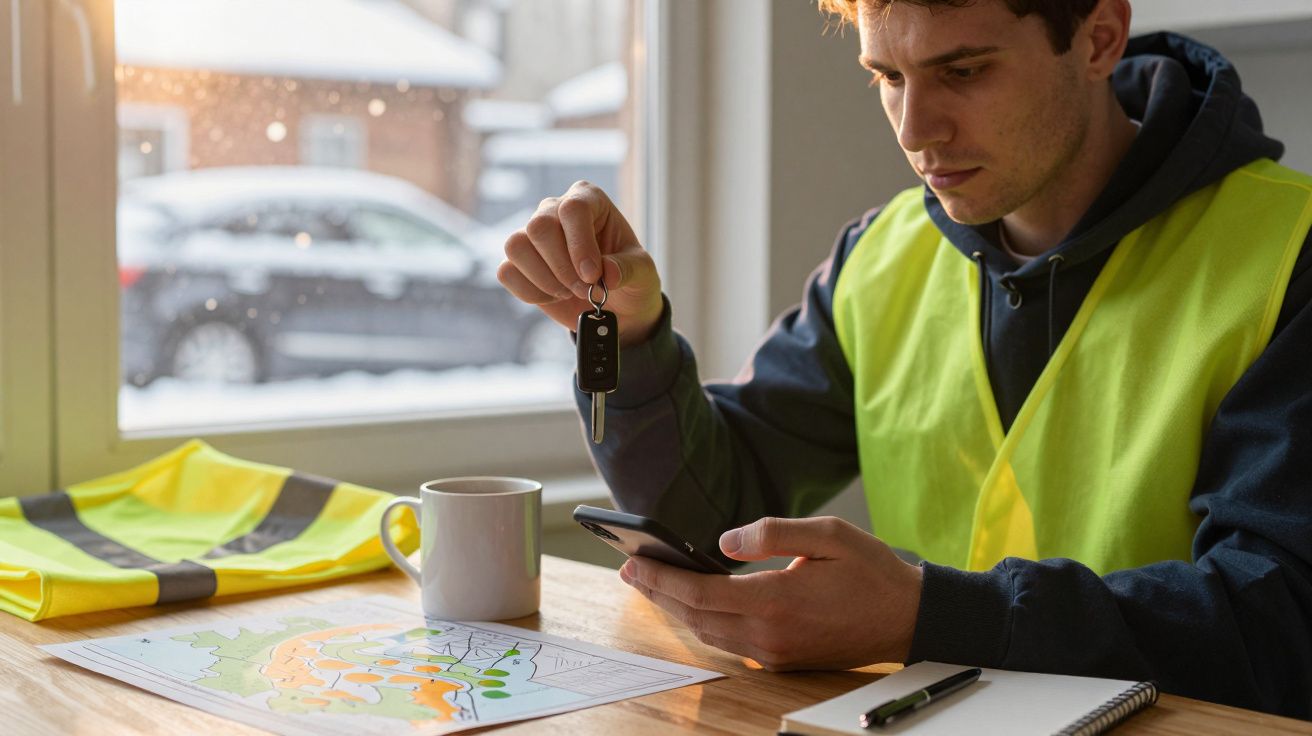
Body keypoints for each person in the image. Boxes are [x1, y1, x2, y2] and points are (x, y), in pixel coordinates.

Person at [496, 0, 1312, 719]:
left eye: (963, 70)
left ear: (1100, 37)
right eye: (887, 75)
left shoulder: (1289, 253)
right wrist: (629, 340)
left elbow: (1278, 623)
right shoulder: (880, 255)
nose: (916, 130)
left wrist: (931, 615)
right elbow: (715, 513)